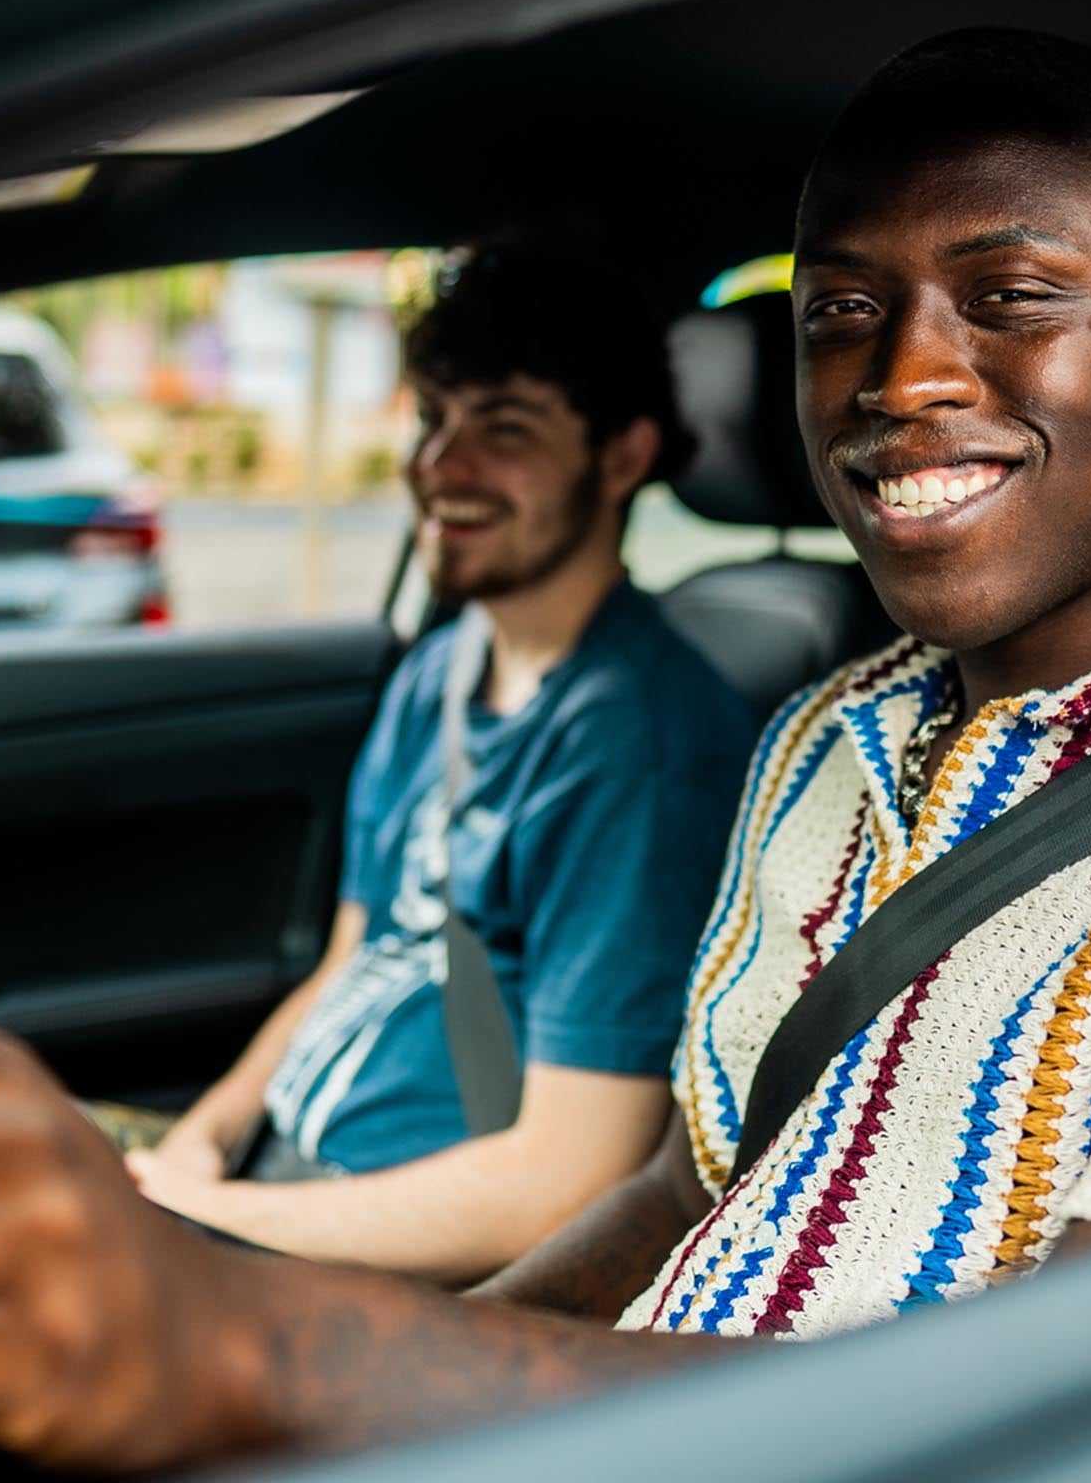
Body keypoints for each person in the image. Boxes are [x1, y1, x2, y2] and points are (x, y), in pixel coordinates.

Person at [0, 32, 1091, 1471]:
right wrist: (405, 1388)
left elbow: (1086, 1413)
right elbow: (709, 1173)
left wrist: (262, 1342)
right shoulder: (832, 737)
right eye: (843, 311)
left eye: (1011, 296)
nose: (902, 375)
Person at [119, 243, 756, 1286]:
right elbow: (348, 963)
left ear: (621, 456)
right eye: (433, 419)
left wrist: (216, 1225)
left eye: (502, 430)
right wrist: (199, 1143)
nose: (439, 466)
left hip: (401, 1264)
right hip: (278, 1189)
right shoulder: (442, 670)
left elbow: (562, 1178)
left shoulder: (637, 743)